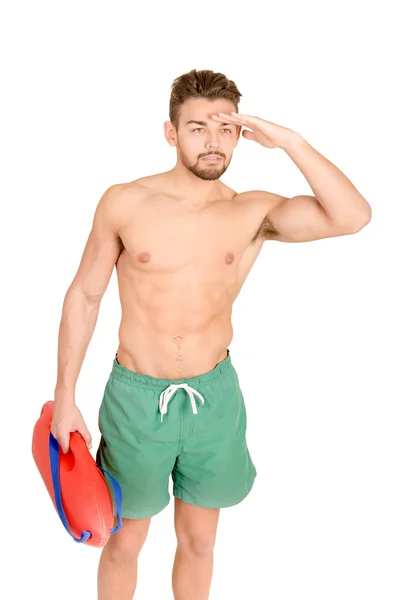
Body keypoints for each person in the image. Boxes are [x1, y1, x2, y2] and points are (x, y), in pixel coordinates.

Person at [50, 69, 372, 600]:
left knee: (200, 543)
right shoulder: (125, 202)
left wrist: (289, 140)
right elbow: (84, 296)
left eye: (226, 129)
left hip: (213, 399)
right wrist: (65, 396)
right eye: (198, 128)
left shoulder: (253, 211)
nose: (213, 142)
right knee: (124, 542)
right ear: (171, 133)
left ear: (243, 134)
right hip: (136, 399)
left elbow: (353, 217)